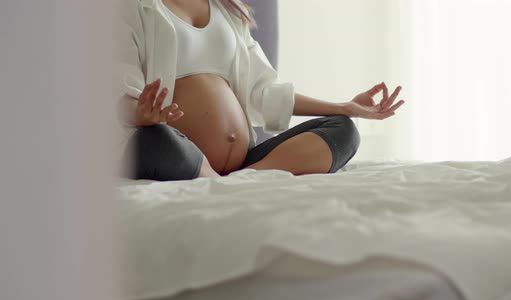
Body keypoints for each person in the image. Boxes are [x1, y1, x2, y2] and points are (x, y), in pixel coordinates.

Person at [119, 0, 405, 181]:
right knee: (152, 141)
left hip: (242, 162)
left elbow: (266, 91)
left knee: (343, 131)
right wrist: (141, 113)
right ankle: (208, 175)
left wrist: (345, 108)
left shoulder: (227, 11)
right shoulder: (132, 8)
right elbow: (118, 92)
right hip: (174, 148)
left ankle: (240, 180)